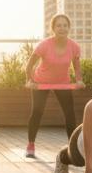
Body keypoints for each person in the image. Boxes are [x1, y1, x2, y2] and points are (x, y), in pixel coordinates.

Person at [23, 13, 84, 158]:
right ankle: (30, 145)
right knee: (37, 111)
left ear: (69, 28)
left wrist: (79, 80)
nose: (62, 28)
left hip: (62, 83)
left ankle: (72, 147)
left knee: (70, 113)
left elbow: (76, 66)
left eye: (65, 25)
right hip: (41, 82)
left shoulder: (74, 47)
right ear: (53, 28)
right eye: (58, 25)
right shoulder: (44, 45)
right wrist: (29, 80)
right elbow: (30, 65)